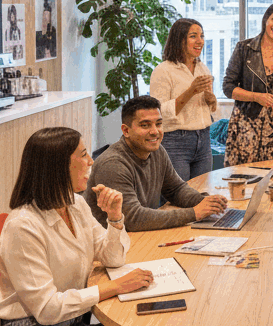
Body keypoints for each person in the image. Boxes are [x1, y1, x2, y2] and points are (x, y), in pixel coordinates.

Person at [0, 126, 187, 326]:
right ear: (58, 167)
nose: (91, 161)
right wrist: (114, 287)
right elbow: (47, 309)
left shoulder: (76, 205)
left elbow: (112, 258)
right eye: (83, 155)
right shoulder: (23, 226)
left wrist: (115, 218)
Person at [84, 95, 228, 230]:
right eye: (145, 125)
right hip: (109, 243)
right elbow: (132, 218)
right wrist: (195, 213)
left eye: (158, 124)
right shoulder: (113, 164)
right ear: (126, 130)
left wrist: (206, 202)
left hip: (138, 236)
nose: (155, 131)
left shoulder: (157, 151)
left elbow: (176, 189)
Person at [223, 2, 273, 166]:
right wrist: (256, 97)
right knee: (245, 177)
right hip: (246, 126)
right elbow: (228, 87)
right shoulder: (244, 48)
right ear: (266, 19)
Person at [150, 18, 217, 181]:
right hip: (175, 142)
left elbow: (210, 108)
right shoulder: (163, 71)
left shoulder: (202, 68)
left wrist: (210, 99)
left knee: (201, 192)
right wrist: (191, 91)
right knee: (178, 193)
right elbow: (159, 113)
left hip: (204, 140)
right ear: (179, 40)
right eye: (193, 36)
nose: (200, 41)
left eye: (202, 36)